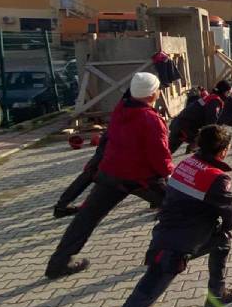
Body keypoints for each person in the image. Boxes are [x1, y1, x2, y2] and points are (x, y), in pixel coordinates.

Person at [57, 125, 232, 307]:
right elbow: (231, 215)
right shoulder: (217, 178)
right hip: (175, 250)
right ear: (223, 150)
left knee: (222, 242)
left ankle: (216, 294)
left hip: (170, 237)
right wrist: (218, 222)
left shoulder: (185, 164)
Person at [46, 73, 173, 279]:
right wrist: (169, 173)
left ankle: (58, 263)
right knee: (176, 209)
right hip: (143, 178)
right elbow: (159, 154)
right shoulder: (151, 120)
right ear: (153, 94)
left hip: (111, 173)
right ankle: (157, 255)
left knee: (86, 218)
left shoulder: (121, 109)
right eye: (158, 89)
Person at [167, 86, 225, 154]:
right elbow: (211, 122)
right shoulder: (214, 101)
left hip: (182, 125)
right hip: (183, 127)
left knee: (168, 150)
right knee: (167, 151)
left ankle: (192, 148)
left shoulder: (208, 98)